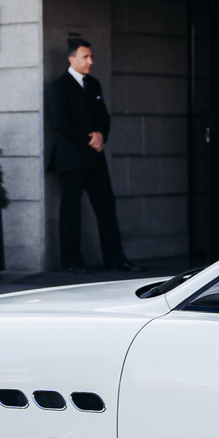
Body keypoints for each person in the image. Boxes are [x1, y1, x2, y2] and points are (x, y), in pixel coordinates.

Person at [46, 36, 129, 273]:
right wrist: (89, 138)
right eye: (86, 56)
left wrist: (101, 135)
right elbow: (61, 122)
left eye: (91, 56)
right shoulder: (59, 86)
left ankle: (116, 259)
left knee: (106, 208)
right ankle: (72, 262)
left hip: (94, 158)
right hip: (71, 159)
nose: (90, 61)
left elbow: (104, 116)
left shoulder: (94, 84)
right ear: (72, 58)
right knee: (70, 211)